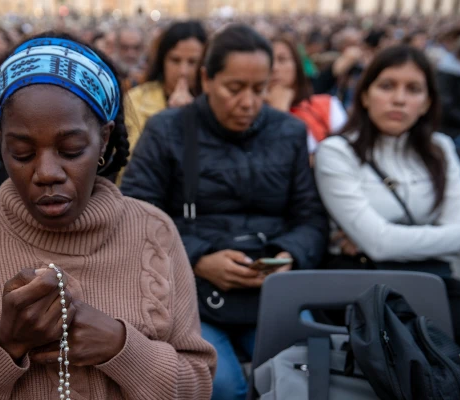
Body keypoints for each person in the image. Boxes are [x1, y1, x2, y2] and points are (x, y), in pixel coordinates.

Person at [0, 32, 216, 399]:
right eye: (22, 153)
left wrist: (121, 347)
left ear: (104, 140)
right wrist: (4, 344)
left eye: (71, 149)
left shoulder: (154, 232)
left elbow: (199, 383)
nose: (47, 172)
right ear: (0, 143)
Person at [121, 24, 328, 400]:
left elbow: (311, 217)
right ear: (206, 79)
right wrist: (199, 258)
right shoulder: (167, 129)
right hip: (189, 290)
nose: (248, 102)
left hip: (269, 285)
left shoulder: (289, 132)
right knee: (220, 385)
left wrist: (287, 255)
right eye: (235, 88)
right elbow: (138, 214)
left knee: (306, 377)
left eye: (260, 88)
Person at [315, 45, 460, 365]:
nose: (399, 99)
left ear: (427, 102)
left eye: (414, 89)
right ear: (364, 95)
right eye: (387, 86)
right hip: (364, 287)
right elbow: (379, 245)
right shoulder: (337, 152)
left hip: (433, 279)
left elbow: (384, 239)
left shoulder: (441, 149)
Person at [125, 21, 207, 155]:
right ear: (162, 60)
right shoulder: (137, 99)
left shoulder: (215, 103)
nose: (183, 71)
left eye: (192, 62)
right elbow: (131, 161)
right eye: (175, 60)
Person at [266, 36, 347, 155]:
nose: (274, 68)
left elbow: (346, 155)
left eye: (282, 59)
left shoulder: (327, 105)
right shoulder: (248, 116)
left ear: (297, 65)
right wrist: (279, 112)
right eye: (268, 62)